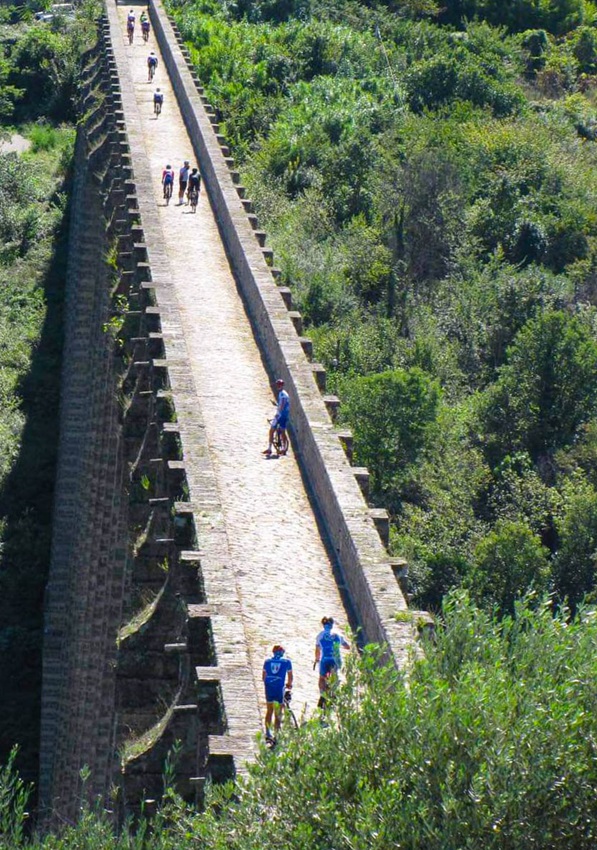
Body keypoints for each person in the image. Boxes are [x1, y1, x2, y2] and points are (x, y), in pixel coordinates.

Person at [314, 616, 350, 708]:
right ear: (332, 625)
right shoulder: (338, 635)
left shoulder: (319, 636)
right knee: (334, 676)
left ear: (323, 625)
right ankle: (333, 693)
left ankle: (322, 694)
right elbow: (347, 646)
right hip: (335, 660)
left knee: (322, 678)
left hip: (325, 659)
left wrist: (317, 659)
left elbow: (317, 650)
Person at [262, 645, 293, 744]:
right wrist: (289, 684)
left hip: (269, 687)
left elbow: (263, 677)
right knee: (278, 712)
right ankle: (276, 734)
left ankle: (267, 733)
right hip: (279, 687)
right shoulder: (287, 662)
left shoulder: (267, 662)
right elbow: (290, 677)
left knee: (269, 710)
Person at [263, 378, 289, 456]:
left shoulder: (282, 395)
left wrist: (278, 413)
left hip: (280, 415)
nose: (278, 386)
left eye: (279, 385)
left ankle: (270, 448)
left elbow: (282, 405)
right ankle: (283, 449)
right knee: (282, 431)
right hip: (285, 415)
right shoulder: (284, 394)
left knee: (271, 430)